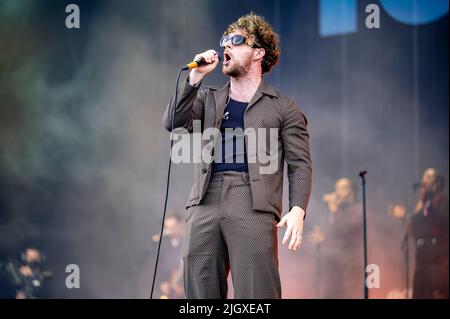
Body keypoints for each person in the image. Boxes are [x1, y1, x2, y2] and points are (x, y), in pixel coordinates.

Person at [162, 13, 312, 299]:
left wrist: (298, 209)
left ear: (259, 53)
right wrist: (194, 78)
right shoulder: (207, 98)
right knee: (199, 290)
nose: (226, 46)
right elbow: (173, 122)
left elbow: (300, 163)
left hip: (252, 202)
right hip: (204, 201)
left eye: (237, 40)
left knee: (257, 292)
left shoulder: (283, 107)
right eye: (224, 40)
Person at [308, 178, 362, 298]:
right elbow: (329, 232)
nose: (337, 193)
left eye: (342, 189)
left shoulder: (357, 210)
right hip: (332, 263)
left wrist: (335, 209)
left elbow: (346, 231)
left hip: (350, 263)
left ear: (351, 192)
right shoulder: (334, 210)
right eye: (336, 189)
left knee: (348, 294)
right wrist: (321, 237)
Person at [411, 168, 449, 299]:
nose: (424, 180)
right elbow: (414, 231)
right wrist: (405, 217)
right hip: (422, 266)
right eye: (423, 176)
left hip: (438, 266)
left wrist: (427, 206)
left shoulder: (445, 200)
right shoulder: (421, 205)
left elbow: (441, 224)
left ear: (437, 184)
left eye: (428, 177)